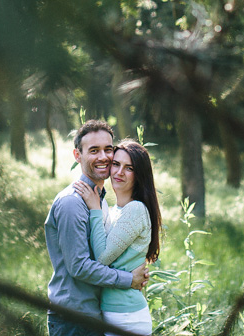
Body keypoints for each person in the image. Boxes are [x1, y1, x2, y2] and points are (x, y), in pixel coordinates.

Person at [45, 121, 150, 336]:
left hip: (95, 315)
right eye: (94, 150)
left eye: (107, 149)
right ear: (77, 155)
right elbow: (80, 267)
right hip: (74, 318)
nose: (103, 157)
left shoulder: (100, 202)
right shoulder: (72, 203)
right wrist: (129, 280)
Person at [73, 139, 162, 336]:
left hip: (127, 318)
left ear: (139, 175)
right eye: (116, 164)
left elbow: (102, 258)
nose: (119, 172)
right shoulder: (117, 210)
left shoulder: (135, 210)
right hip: (115, 315)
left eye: (129, 168)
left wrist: (94, 208)